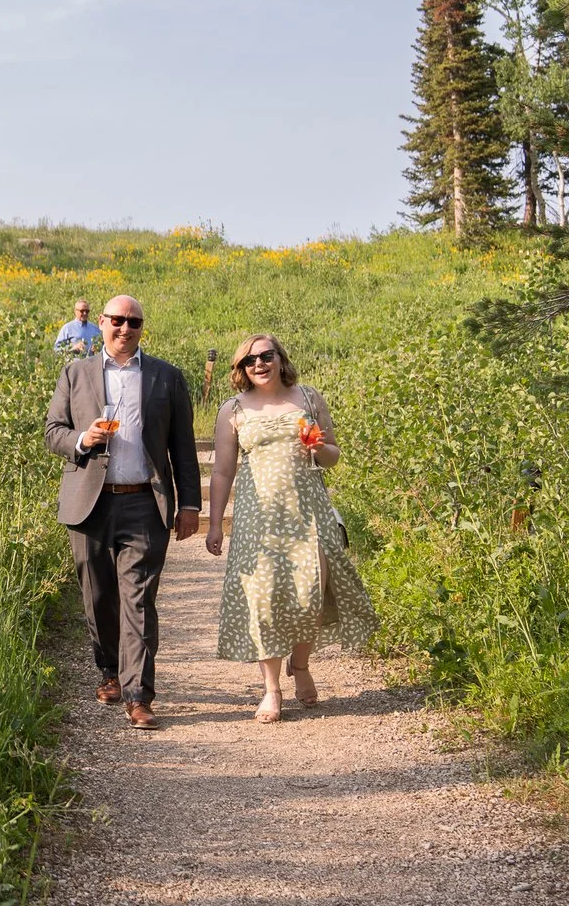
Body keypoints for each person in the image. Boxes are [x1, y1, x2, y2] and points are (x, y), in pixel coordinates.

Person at [43, 295, 203, 730]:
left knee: (139, 599)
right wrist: (83, 439)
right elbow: (52, 432)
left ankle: (138, 695)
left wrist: (189, 504)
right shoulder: (75, 373)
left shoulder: (166, 377)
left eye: (134, 322)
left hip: (143, 503)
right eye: (118, 320)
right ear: (103, 323)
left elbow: (183, 448)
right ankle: (110, 672)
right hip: (89, 503)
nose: (125, 328)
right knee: (98, 598)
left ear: (141, 327)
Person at [206, 334, 377, 723]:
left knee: (310, 593)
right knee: (264, 600)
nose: (259, 364)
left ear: (281, 359)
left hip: (308, 513)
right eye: (250, 361)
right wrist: (215, 523)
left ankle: (300, 665)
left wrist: (318, 448)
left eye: (267, 356)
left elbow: (333, 455)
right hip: (257, 520)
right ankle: (271, 689)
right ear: (241, 370)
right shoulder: (232, 409)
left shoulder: (309, 398)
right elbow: (221, 471)